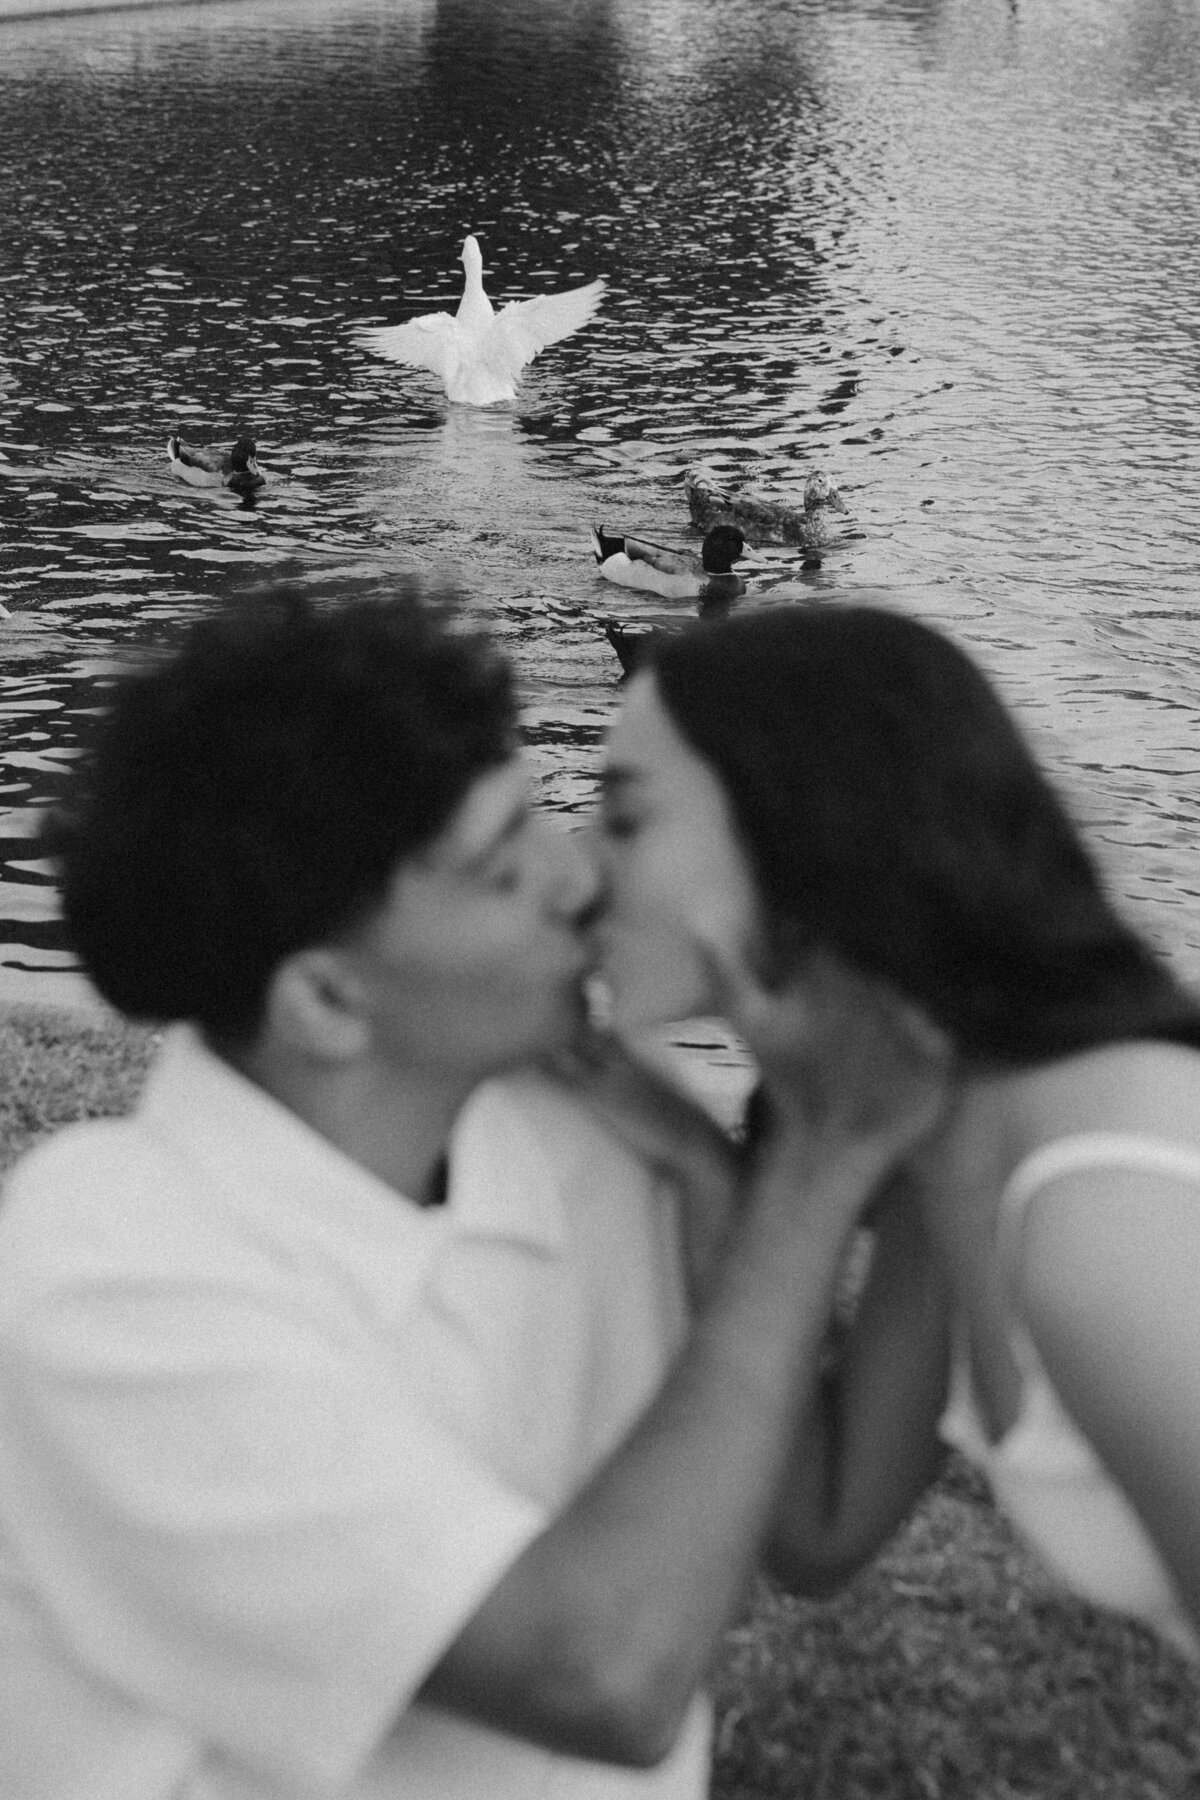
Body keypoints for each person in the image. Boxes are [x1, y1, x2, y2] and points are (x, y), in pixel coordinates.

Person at [0, 585, 945, 1800]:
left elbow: (815, 1518)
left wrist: (930, 1114)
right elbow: (607, 1675)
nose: (579, 879)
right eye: (505, 866)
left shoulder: (579, 1124)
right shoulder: (106, 1281)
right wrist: (816, 1168)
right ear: (328, 1001)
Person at [593, 600, 1200, 1663]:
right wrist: (704, 1171)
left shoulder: (1102, 1215)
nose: (572, 870)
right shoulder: (947, 1143)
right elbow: (821, 1529)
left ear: (793, 831)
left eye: (627, 819)